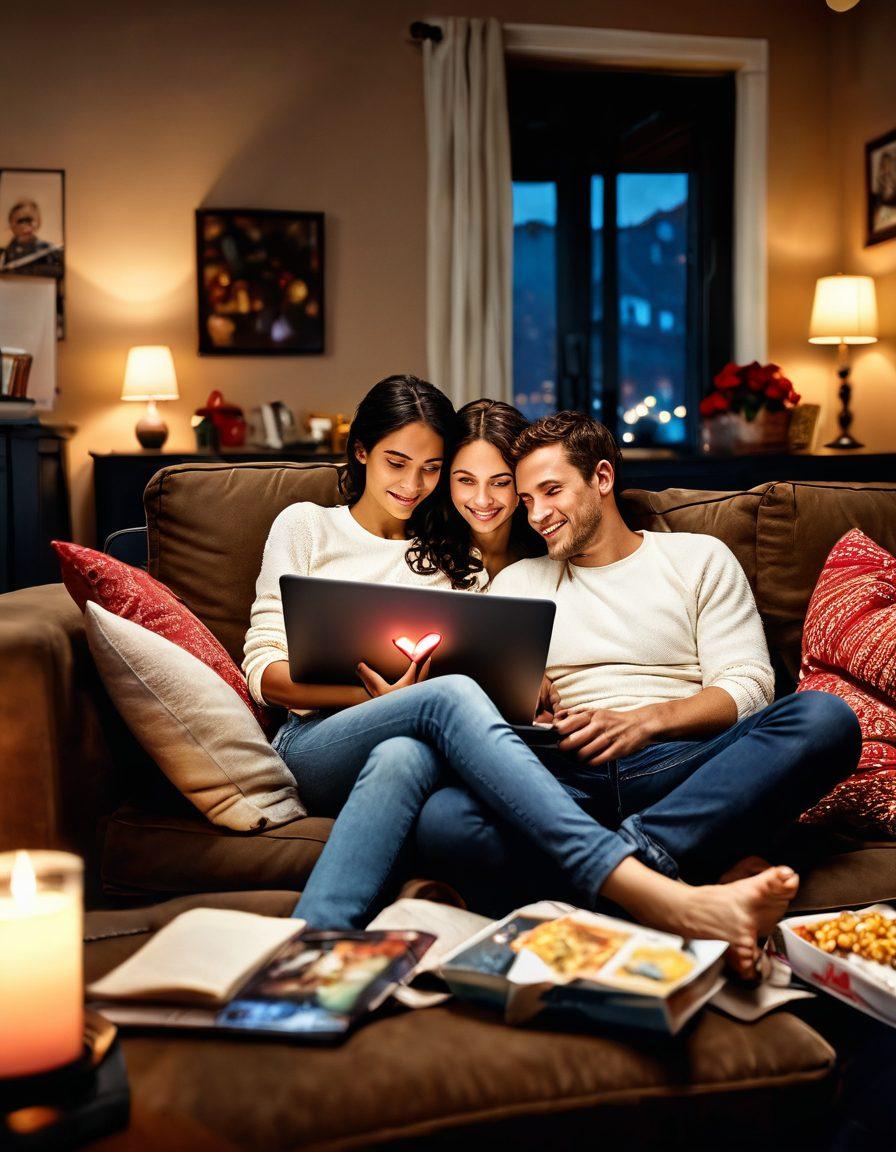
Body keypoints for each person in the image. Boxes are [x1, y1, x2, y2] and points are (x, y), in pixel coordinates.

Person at [279, 405, 858, 976]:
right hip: (562, 773)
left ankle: (637, 868)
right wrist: (523, 691)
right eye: (526, 500)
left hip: (680, 765)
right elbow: (483, 705)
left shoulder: (696, 559)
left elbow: (750, 688)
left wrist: (647, 721)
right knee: (443, 819)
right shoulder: (515, 583)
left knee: (825, 720)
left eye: (551, 491)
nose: (536, 515)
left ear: (602, 478)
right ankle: (677, 878)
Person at [414, 397, 543, 589]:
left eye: (500, 483)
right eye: (466, 480)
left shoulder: (548, 557)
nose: (483, 501)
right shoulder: (421, 560)